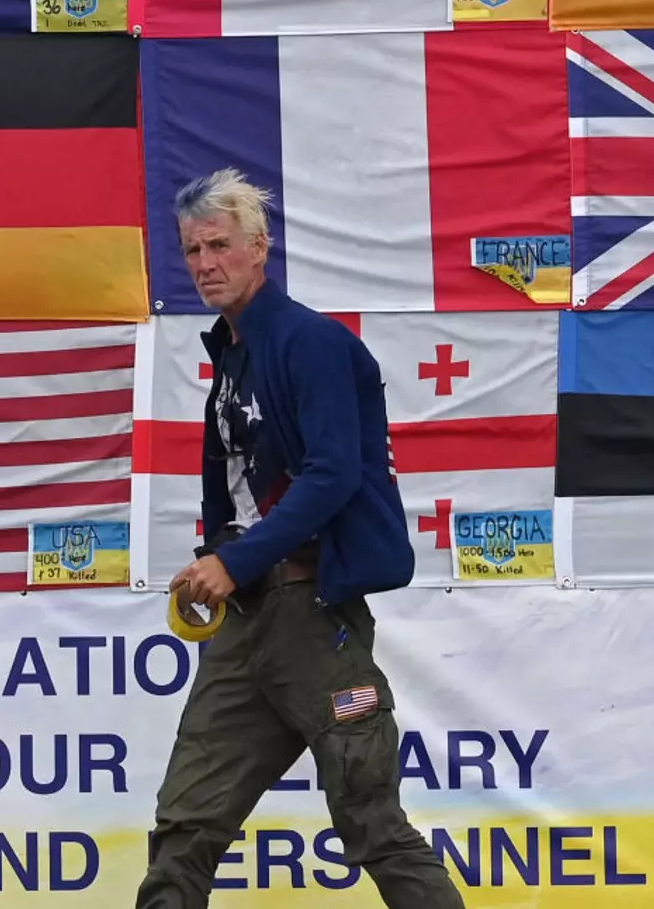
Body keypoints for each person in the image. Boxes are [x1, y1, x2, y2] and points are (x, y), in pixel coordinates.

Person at [135, 168, 467, 909]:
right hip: (247, 623)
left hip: (315, 618)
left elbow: (332, 476)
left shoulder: (310, 341)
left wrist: (236, 559)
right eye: (192, 251)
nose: (204, 265)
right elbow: (244, 487)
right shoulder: (232, 353)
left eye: (219, 245)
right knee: (185, 827)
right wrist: (215, 561)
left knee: (372, 820)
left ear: (260, 249)